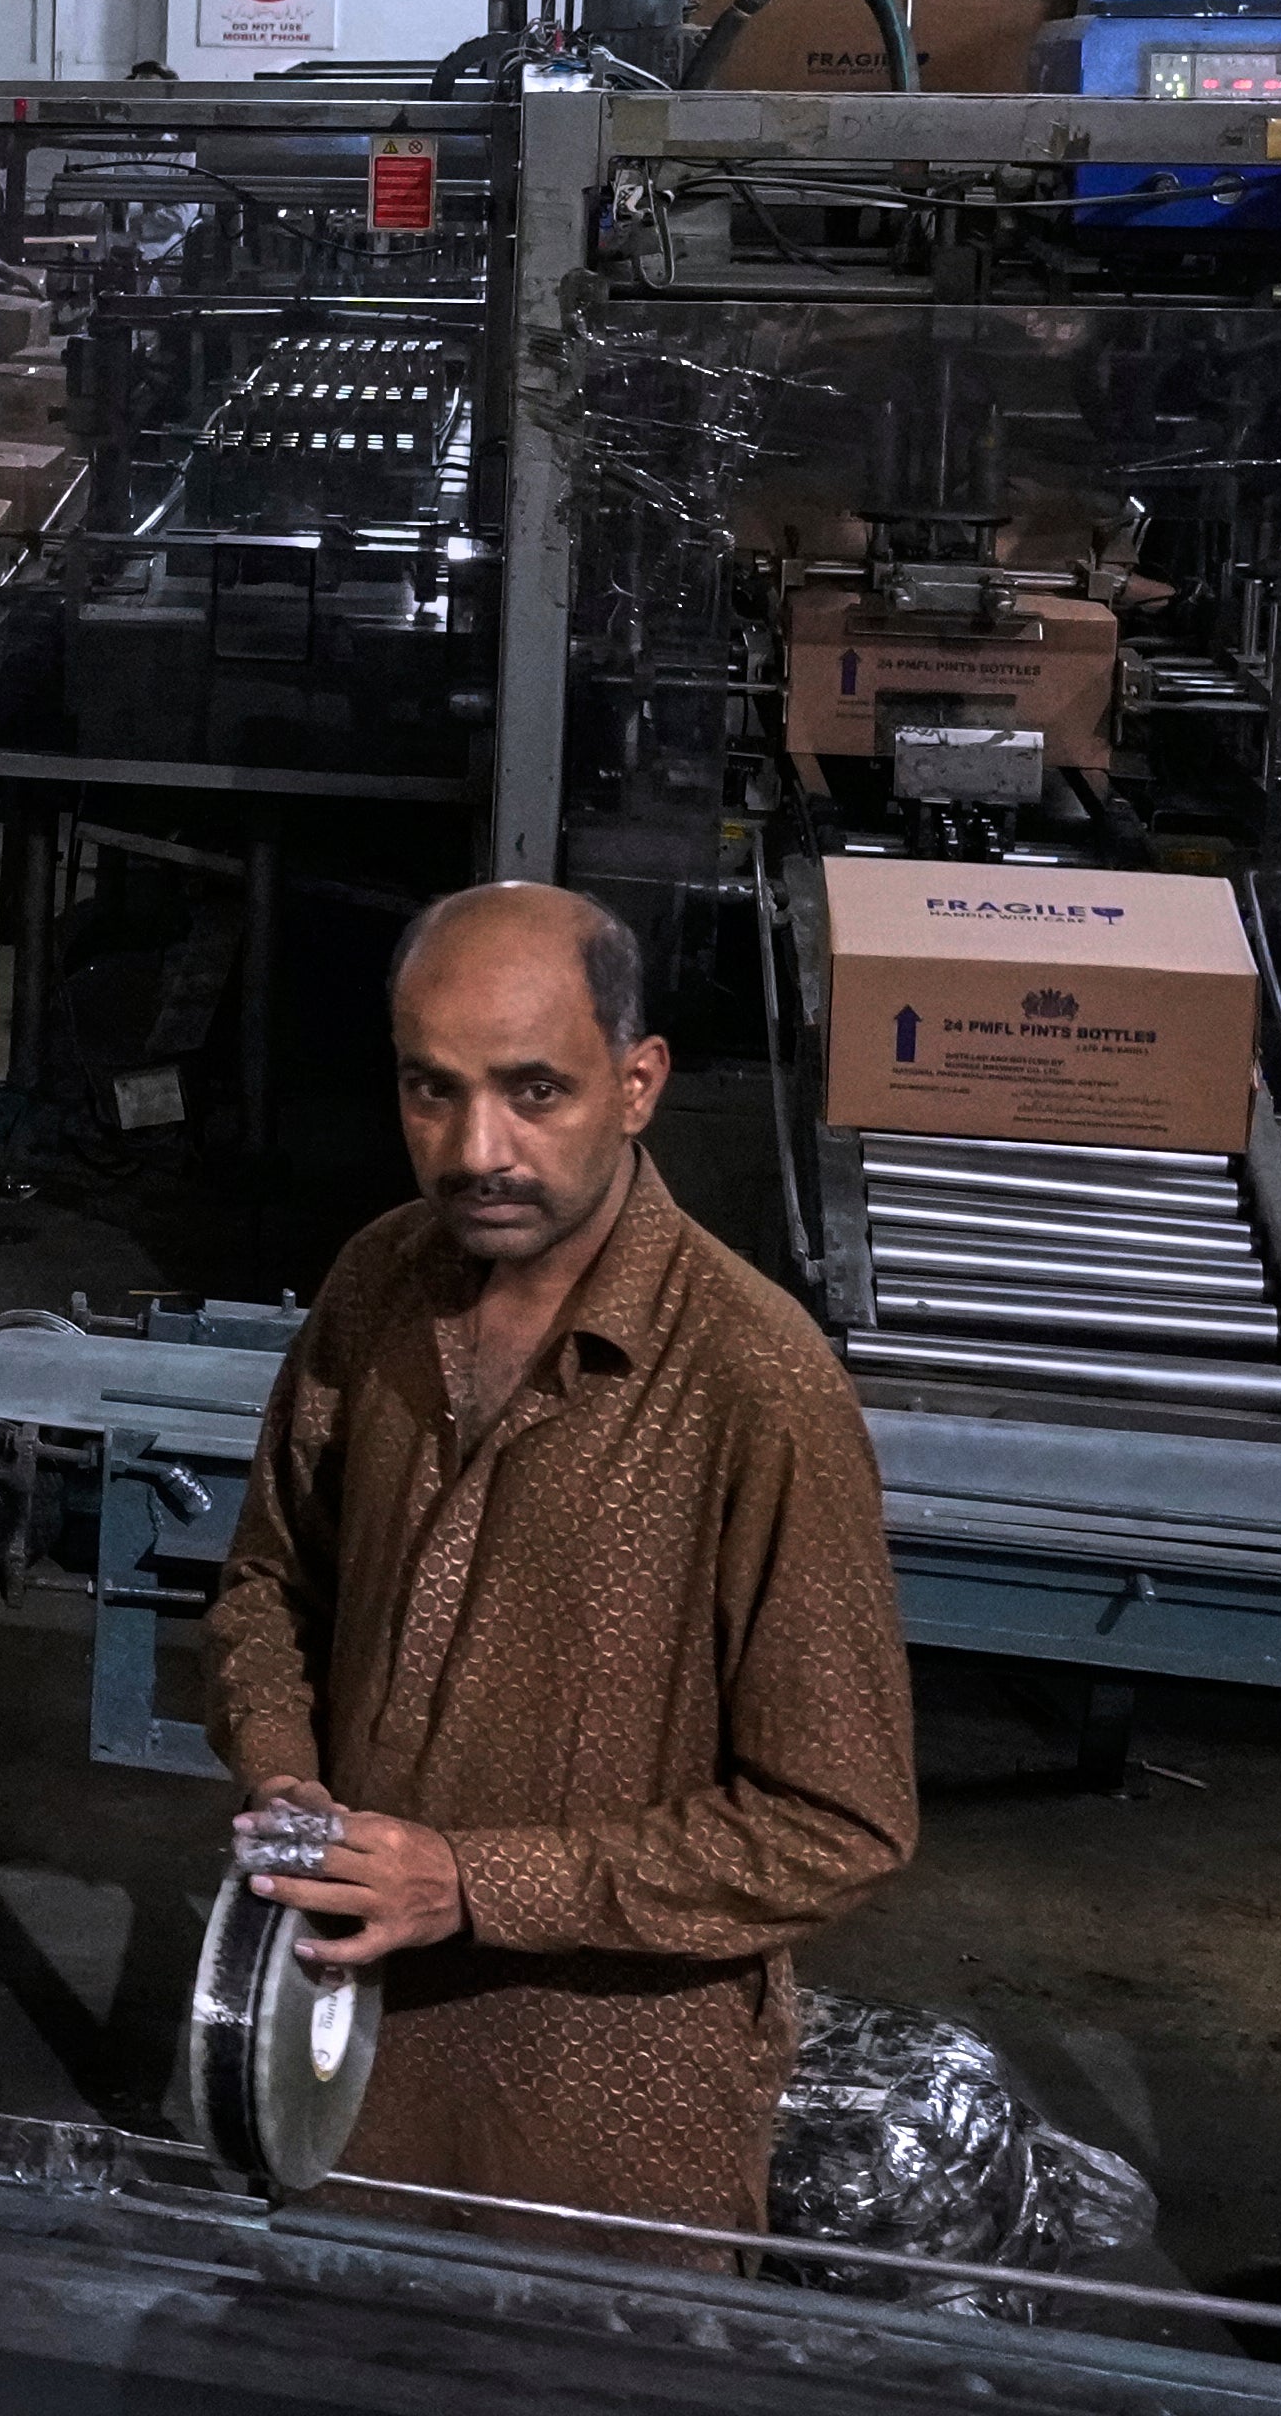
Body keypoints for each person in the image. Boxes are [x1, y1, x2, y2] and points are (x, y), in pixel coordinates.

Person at [207, 883, 917, 2254]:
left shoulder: (755, 1388)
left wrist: (472, 1885)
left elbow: (842, 1824)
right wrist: (282, 1765)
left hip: (603, 2136)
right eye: (434, 1091)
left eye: (536, 1090)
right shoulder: (377, 1286)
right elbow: (266, 1586)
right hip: (343, 2077)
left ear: (638, 1084)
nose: (479, 1150)